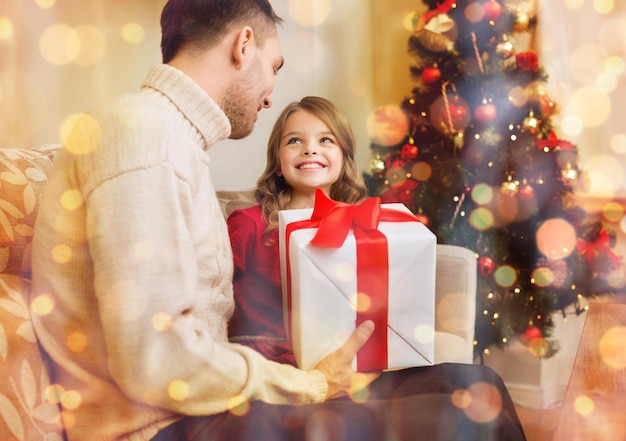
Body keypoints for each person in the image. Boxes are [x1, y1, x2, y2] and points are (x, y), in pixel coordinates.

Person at [31, 1, 378, 440]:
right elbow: (155, 359)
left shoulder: (172, 140)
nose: (271, 94)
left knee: (463, 381)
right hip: (163, 427)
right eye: (274, 67)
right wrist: (311, 385)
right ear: (243, 45)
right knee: (458, 400)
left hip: (205, 410)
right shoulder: (142, 135)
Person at [228, 96, 367, 366]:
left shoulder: (360, 229)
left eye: (326, 140)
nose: (310, 150)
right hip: (265, 371)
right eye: (294, 141)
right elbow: (206, 298)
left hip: (338, 367)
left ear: (344, 158)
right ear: (278, 164)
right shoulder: (248, 224)